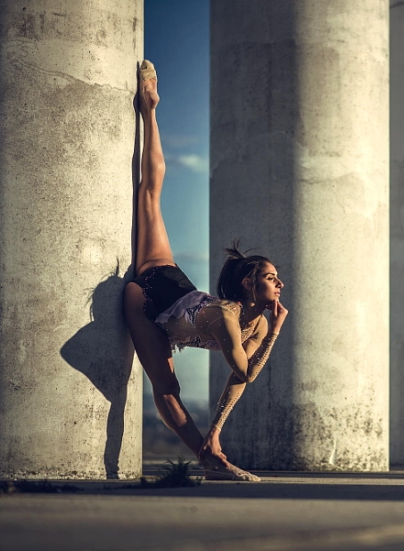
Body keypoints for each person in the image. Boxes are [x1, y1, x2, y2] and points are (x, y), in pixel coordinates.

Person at [123, 60, 288, 481]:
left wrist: (216, 429)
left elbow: (238, 384)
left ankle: (207, 451)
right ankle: (150, 107)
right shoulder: (228, 319)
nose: (280, 282)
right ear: (250, 283)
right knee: (149, 193)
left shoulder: (257, 326)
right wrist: (279, 329)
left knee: (172, 394)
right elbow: (245, 370)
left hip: (179, 296)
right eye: (271, 277)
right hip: (151, 289)